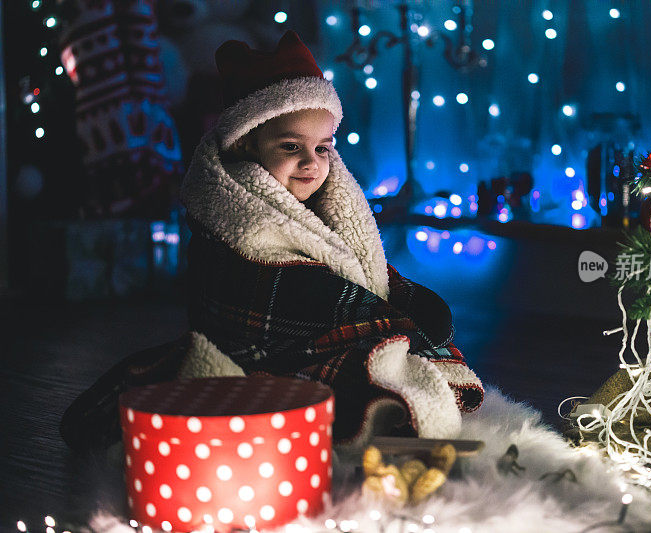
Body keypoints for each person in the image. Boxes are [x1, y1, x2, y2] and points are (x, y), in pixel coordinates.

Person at [61, 31, 483, 450]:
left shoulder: (323, 197)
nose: (310, 163)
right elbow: (293, 295)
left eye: (322, 148)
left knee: (423, 333)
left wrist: (404, 300)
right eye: (290, 146)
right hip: (265, 349)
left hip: (322, 319)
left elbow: (357, 266)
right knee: (376, 384)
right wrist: (400, 323)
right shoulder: (234, 212)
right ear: (248, 143)